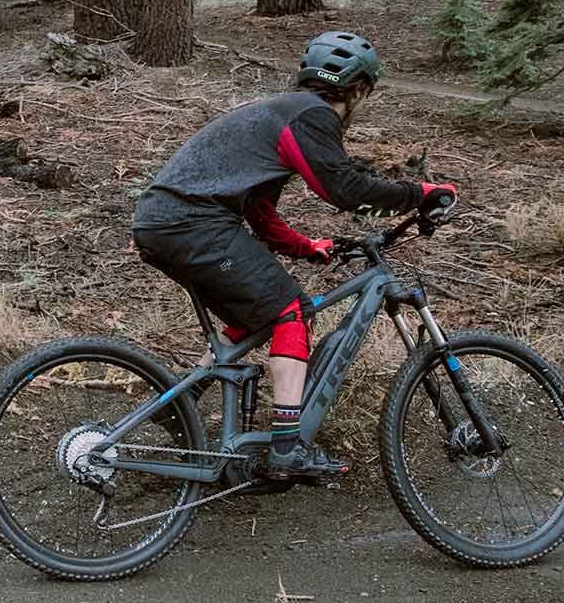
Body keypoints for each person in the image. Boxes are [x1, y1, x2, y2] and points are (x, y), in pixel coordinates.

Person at [131, 30, 456, 481]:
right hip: (190, 223)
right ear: (359, 89)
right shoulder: (313, 116)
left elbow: (260, 210)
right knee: (290, 311)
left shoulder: (279, 112)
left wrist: (305, 247)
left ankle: (177, 407)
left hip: (163, 222)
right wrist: (420, 194)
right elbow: (343, 188)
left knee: (256, 317)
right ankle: (287, 448)